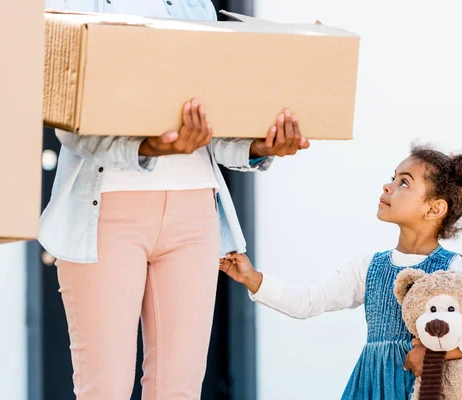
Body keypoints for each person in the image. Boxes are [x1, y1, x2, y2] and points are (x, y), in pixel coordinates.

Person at [40, 2, 309, 399]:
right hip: (105, 215)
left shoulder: (195, 5)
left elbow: (213, 127)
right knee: (104, 391)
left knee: (179, 391)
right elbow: (68, 118)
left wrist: (257, 146)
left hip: (194, 214)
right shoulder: (76, 4)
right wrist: (149, 147)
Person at [221, 145, 462, 399]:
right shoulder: (370, 268)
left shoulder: (454, 271)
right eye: (393, 178)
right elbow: (310, 301)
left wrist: (439, 356)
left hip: (428, 388)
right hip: (371, 386)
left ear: (434, 209)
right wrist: (253, 279)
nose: (387, 187)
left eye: (404, 183)